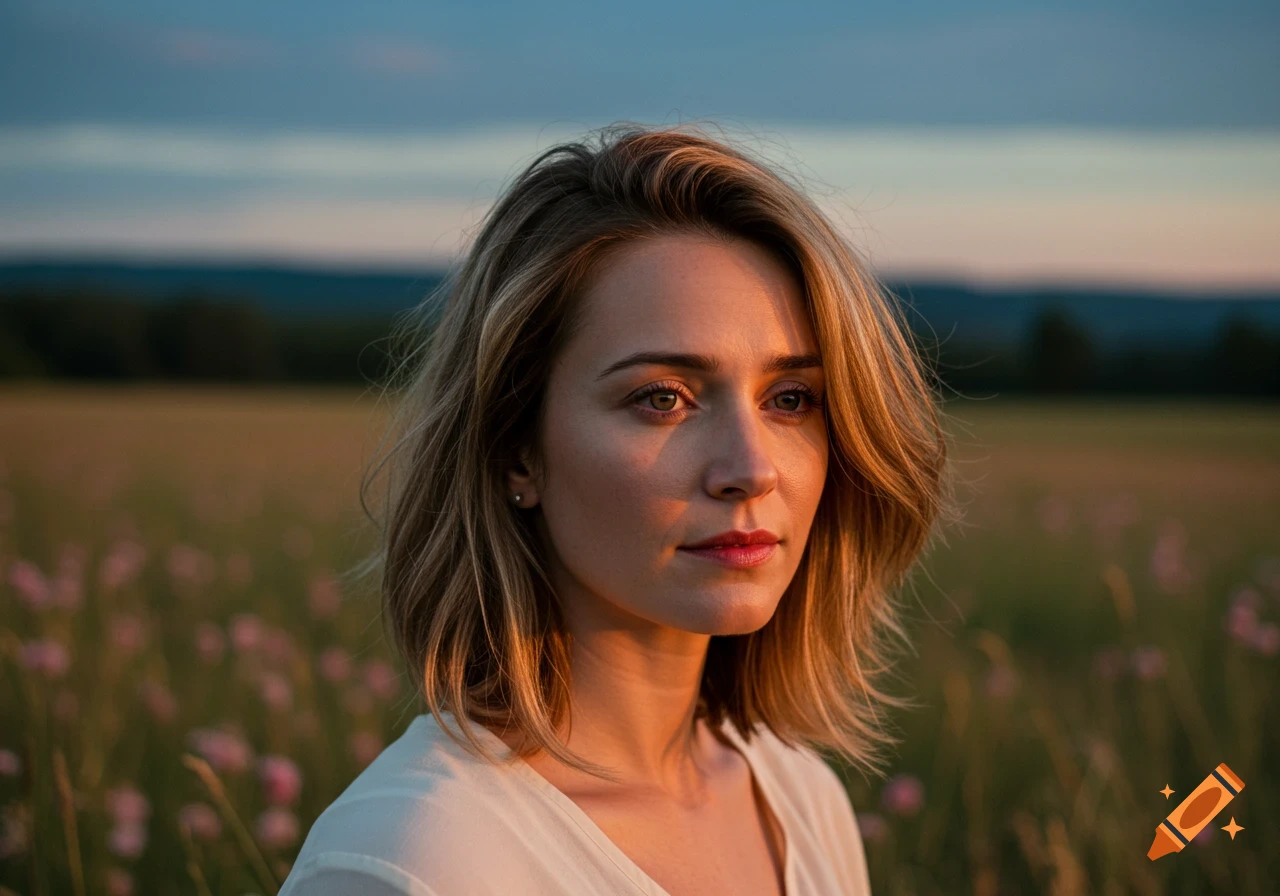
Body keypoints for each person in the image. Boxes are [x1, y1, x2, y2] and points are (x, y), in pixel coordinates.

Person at [280, 122, 958, 895]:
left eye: (791, 398)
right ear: (515, 449)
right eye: (662, 399)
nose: (749, 470)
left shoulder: (804, 801)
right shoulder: (415, 861)